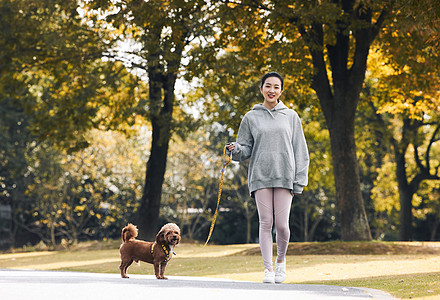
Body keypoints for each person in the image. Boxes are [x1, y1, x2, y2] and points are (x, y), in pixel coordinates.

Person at [226, 71, 309, 284]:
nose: (272, 90)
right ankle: (268, 270)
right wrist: (234, 149)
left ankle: (281, 263)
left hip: (285, 175)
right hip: (260, 176)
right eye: (268, 86)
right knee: (265, 222)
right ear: (261, 88)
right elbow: (244, 150)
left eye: (276, 87)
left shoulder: (291, 116)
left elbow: (300, 150)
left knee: (282, 225)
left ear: (281, 91)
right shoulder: (250, 117)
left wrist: (299, 180)